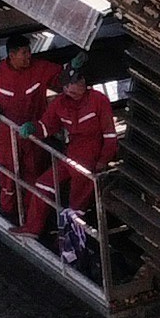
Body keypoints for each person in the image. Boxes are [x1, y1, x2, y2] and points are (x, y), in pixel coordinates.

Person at [0, 32, 63, 230]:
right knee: (8, 175)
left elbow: (61, 77)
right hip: (7, 133)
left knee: (34, 174)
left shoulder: (40, 69)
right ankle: (9, 213)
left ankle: (32, 218)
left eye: (29, 52)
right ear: (11, 55)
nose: (28, 56)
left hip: (32, 133)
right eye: (23, 53)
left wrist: (74, 68)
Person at [40, 60, 120, 266]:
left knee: (76, 210)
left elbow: (110, 136)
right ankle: (34, 228)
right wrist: (33, 128)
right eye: (66, 85)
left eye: (74, 83)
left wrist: (102, 161)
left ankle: (73, 254)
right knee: (43, 184)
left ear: (83, 82)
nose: (70, 88)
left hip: (89, 161)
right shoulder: (61, 103)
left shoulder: (98, 100)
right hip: (72, 156)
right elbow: (47, 126)